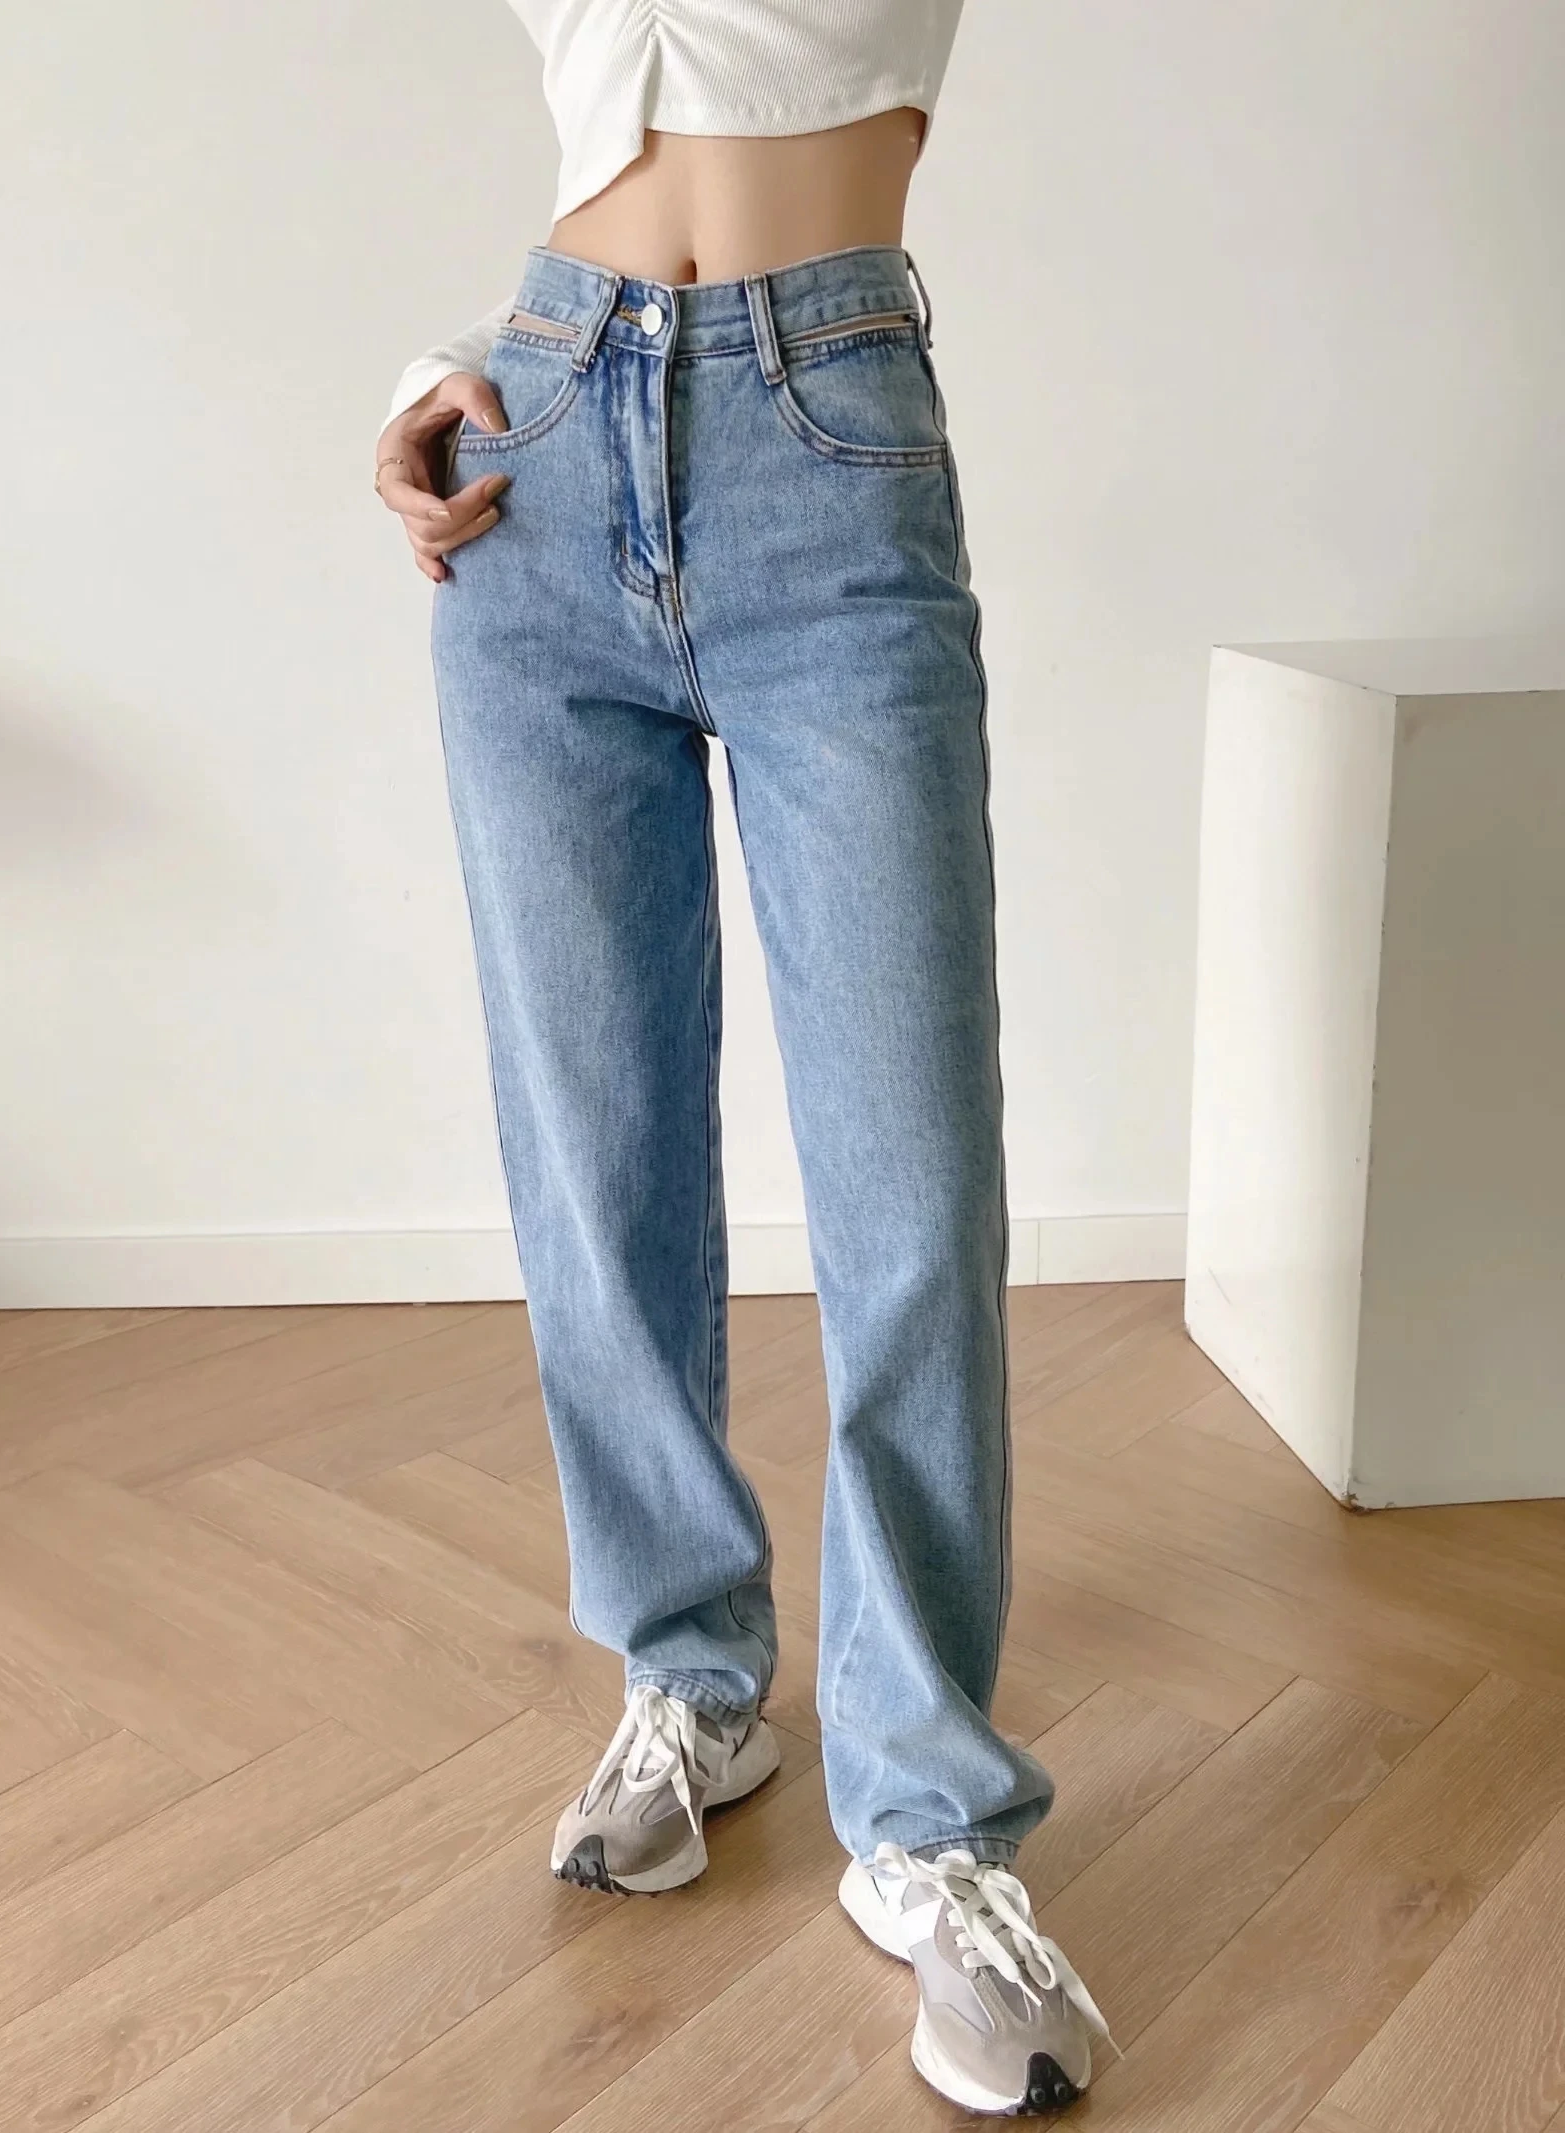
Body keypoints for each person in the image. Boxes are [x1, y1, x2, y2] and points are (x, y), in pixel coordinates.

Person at [374, 2, 1108, 2114]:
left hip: (830, 434)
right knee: (593, 1147)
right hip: (533, 446)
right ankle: (689, 1674)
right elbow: (601, 151)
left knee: (909, 1176)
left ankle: (929, 1817)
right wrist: (440, 374)